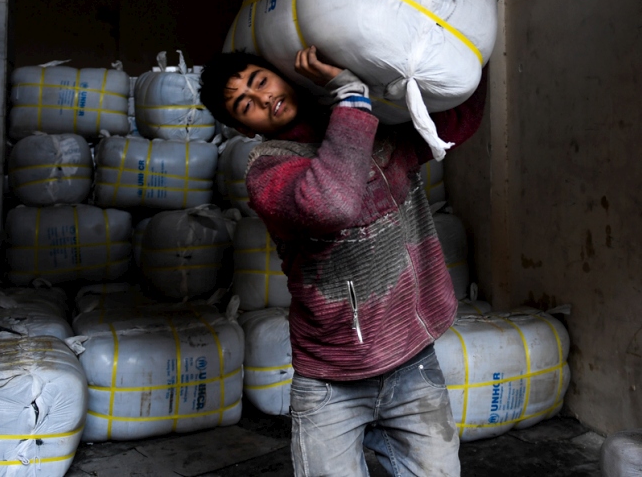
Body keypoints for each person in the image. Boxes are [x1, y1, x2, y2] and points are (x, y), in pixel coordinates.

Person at [199, 46, 487, 477]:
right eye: (245, 105)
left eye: (260, 81)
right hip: (331, 378)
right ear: (243, 127)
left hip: (411, 359)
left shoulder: (382, 133)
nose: (261, 99)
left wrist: (469, 50)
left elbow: (454, 122)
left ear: (281, 74)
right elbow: (331, 204)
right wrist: (351, 99)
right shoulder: (268, 171)